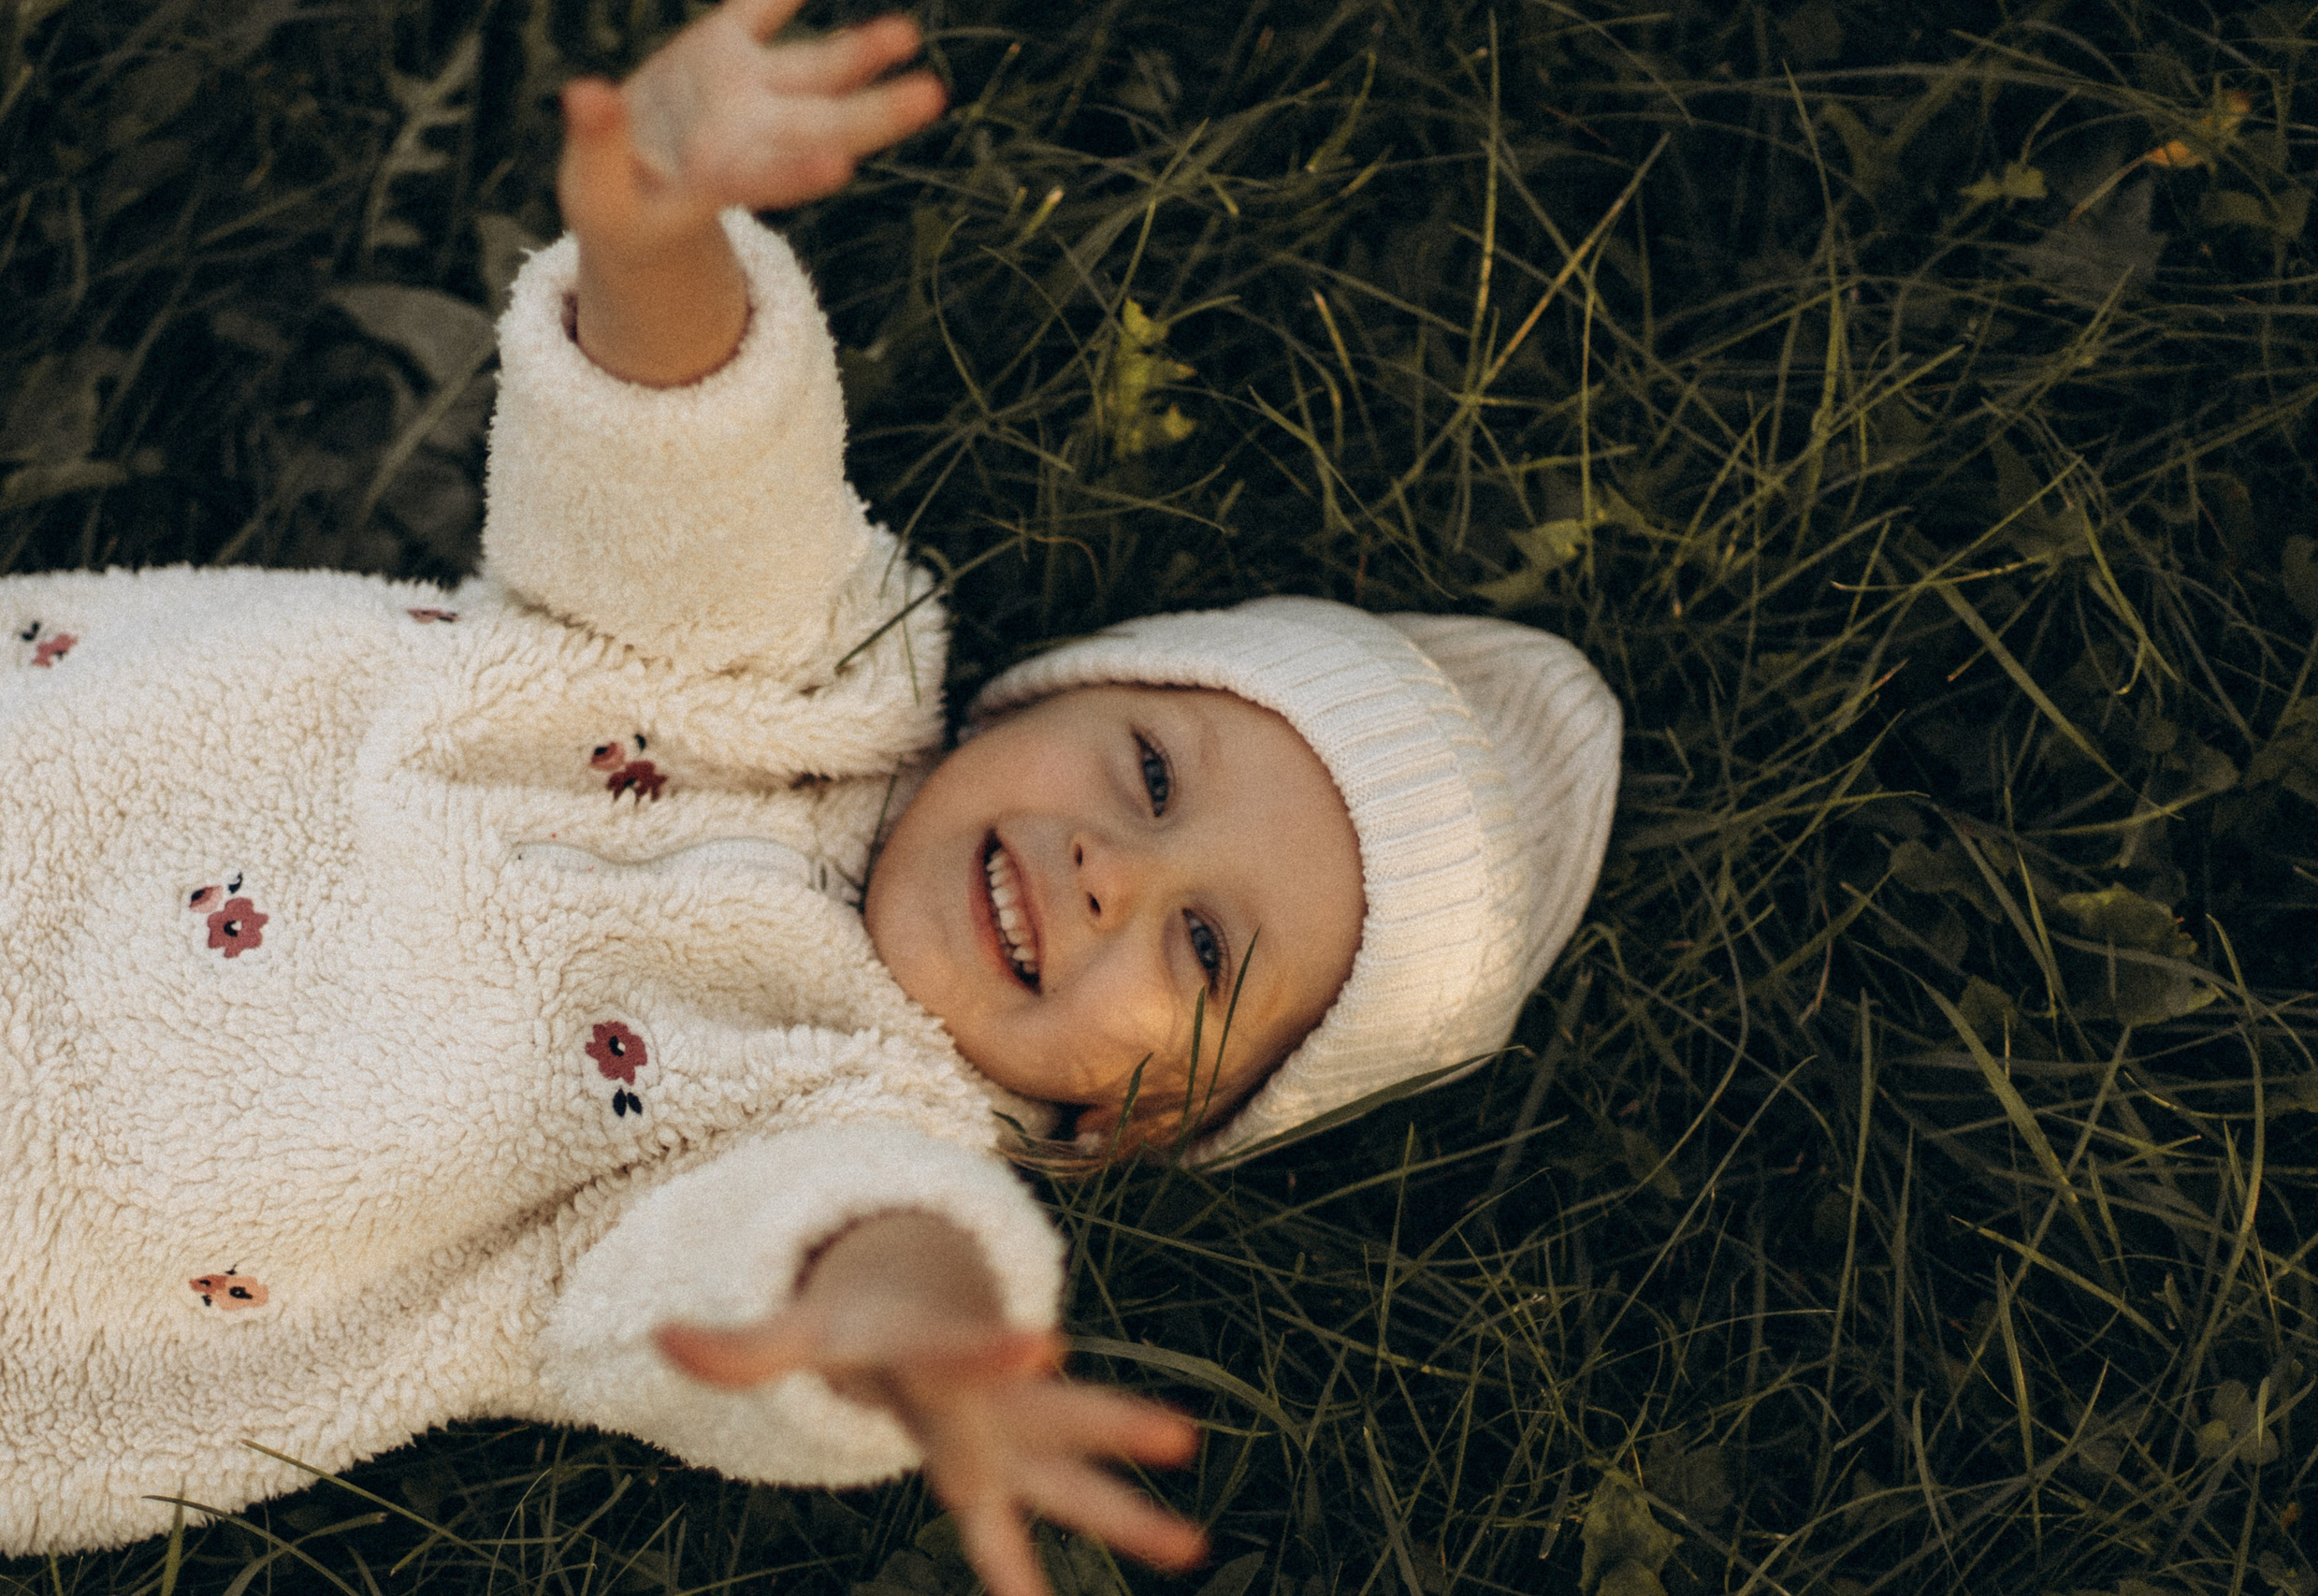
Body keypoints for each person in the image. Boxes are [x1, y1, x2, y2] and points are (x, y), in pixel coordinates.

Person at [0, 4, 1622, 1594]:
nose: (1111, 869)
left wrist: (916, 1340)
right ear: (1052, 689)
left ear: (1147, 1118)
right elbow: (689, 472)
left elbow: (839, 1235)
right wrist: (659, 229)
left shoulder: (863, 1115)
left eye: (1205, 946)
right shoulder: (809, 667)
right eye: (1147, 770)